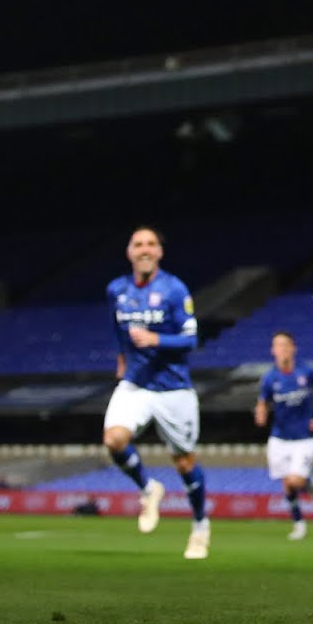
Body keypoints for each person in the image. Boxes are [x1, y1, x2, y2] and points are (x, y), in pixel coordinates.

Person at [103, 225, 210, 560]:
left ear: (160, 252)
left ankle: (199, 527)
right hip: (135, 383)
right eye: (138, 244)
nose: (145, 249)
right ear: (129, 252)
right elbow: (118, 331)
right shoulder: (116, 290)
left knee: (183, 461)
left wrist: (155, 340)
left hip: (173, 389)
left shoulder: (175, 289)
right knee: (114, 440)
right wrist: (123, 359)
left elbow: (191, 340)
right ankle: (149, 490)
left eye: (151, 244)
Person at [255, 331, 313, 541]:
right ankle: (298, 523)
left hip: (303, 438)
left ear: (292, 348)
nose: (281, 350)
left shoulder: (306, 372)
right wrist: (260, 412)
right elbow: (263, 400)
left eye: (285, 345)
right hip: (279, 438)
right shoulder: (270, 378)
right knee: (287, 484)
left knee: (295, 481)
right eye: (277, 346)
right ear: (273, 351)